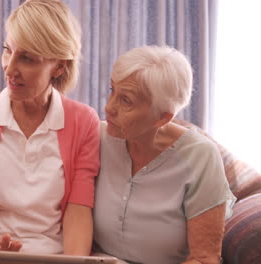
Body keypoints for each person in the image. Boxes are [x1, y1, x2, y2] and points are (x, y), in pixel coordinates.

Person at [0, 0, 100, 262]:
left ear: (58, 66)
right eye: (7, 51)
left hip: (56, 257)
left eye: (27, 58)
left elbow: (79, 213)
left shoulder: (83, 122)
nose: (9, 69)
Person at [93, 45, 236, 264]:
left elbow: (204, 258)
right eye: (112, 91)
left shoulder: (200, 157)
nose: (109, 108)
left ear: (162, 118)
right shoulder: (98, 137)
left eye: (126, 100)